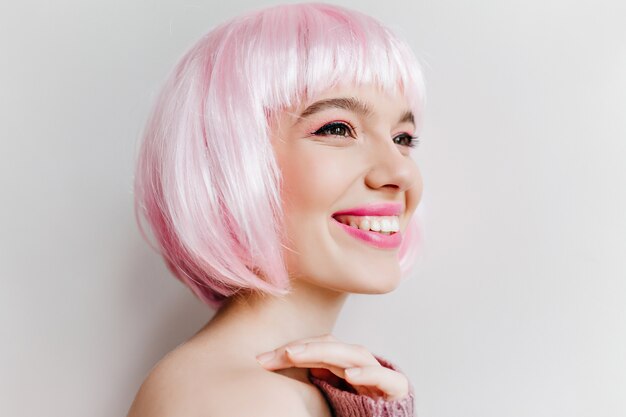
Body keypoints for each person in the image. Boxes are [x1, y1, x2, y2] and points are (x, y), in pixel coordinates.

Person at [127, 3, 426, 416]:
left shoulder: (270, 390)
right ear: (231, 164)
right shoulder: (244, 400)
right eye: (337, 128)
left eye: (403, 137)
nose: (400, 172)